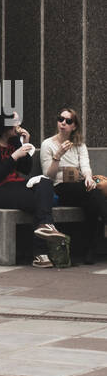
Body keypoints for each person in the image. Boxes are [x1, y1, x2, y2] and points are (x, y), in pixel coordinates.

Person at [0, 113, 65, 266]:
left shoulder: (14, 141)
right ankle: (41, 251)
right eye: (14, 122)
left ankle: (45, 229)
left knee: (45, 183)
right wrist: (14, 156)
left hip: (16, 185)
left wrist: (25, 144)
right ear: (5, 125)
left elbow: (26, 169)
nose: (18, 125)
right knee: (42, 202)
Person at [40, 108, 107, 265]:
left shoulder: (79, 144)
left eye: (68, 121)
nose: (63, 123)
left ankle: (89, 251)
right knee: (94, 196)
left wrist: (89, 178)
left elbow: (85, 165)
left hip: (79, 186)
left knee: (92, 202)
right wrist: (58, 156)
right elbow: (48, 175)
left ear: (74, 126)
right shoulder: (48, 144)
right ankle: (90, 250)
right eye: (60, 119)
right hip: (59, 187)